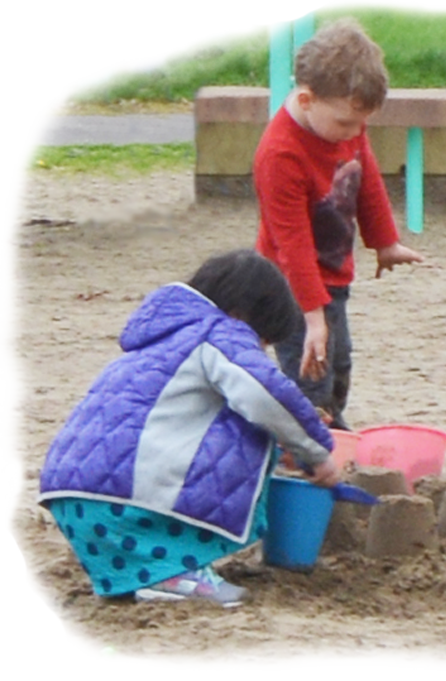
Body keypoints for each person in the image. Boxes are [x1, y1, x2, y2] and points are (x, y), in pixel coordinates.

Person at [38, 250, 344, 607]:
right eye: (262, 341)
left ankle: (139, 575)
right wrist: (316, 452)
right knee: (246, 433)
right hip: (124, 497)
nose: (259, 350)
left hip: (74, 498)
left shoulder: (162, 338)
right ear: (245, 316)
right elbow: (266, 395)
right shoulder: (218, 334)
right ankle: (173, 575)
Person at [254, 17, 424, 431]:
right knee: (310, 370)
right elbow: (291, 244)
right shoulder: (280, 154)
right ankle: (311, 439)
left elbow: (364, 179)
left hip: (333, 276)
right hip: (290, 285)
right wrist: (313, 318)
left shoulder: (344, 126)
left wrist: (385, 241)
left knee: (340, 359)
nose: (354, 133)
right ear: (307, 99)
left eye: (361, 124)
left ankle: (332, 423)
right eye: (346, 124)